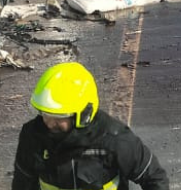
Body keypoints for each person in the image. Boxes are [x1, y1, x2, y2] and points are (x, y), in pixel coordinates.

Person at [12, 62, 168, 190]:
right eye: (45, 114)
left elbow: (154, 178)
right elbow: (23, 183)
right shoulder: (32, 137)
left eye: (58, 117)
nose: (49, 123)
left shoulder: (114, 139)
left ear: (83, 115)